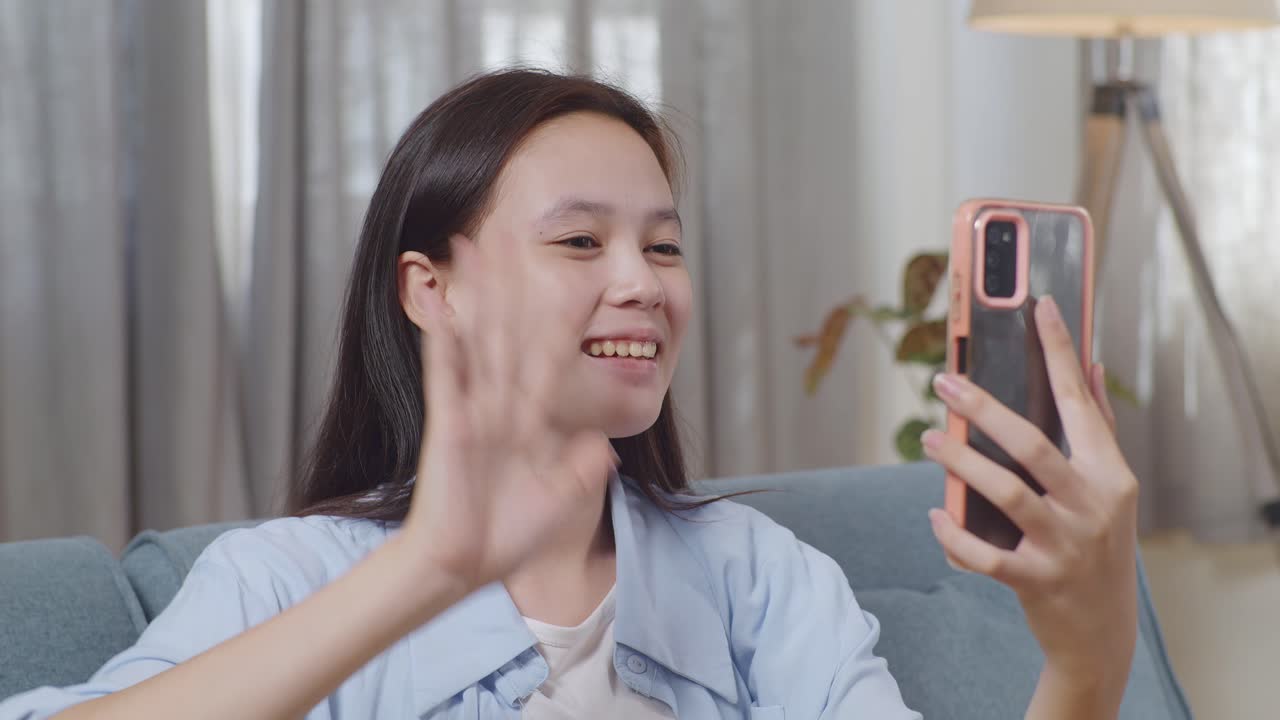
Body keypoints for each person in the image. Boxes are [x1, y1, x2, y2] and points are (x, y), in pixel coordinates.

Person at [0, 68, 1139, 720]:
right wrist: (425, 575)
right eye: (581, 242)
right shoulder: (283, 578)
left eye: (664, 247)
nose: (641, 284)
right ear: (430, 288)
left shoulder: (753, 577)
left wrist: (1087, 661)